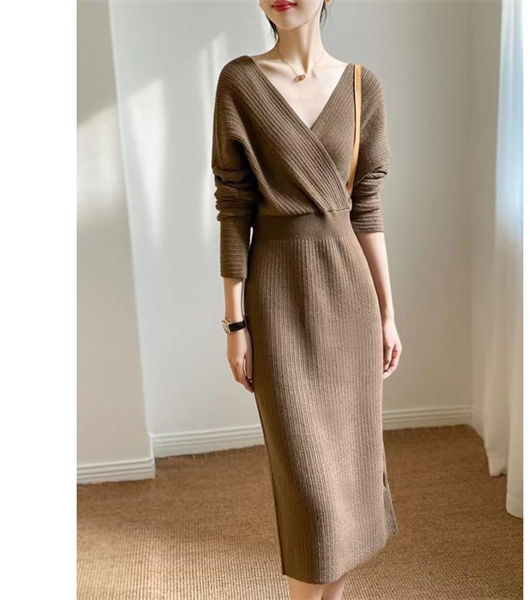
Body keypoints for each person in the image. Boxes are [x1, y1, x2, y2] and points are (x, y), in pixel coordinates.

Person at [212, 1, 402, 598]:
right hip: (278, 300)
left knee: (347, 489)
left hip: (349, 301)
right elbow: (233, 208)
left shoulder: (362, 87)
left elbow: (366, 210)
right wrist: (235, 323)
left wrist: (388, 315)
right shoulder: (240, 82)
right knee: (311, 494)